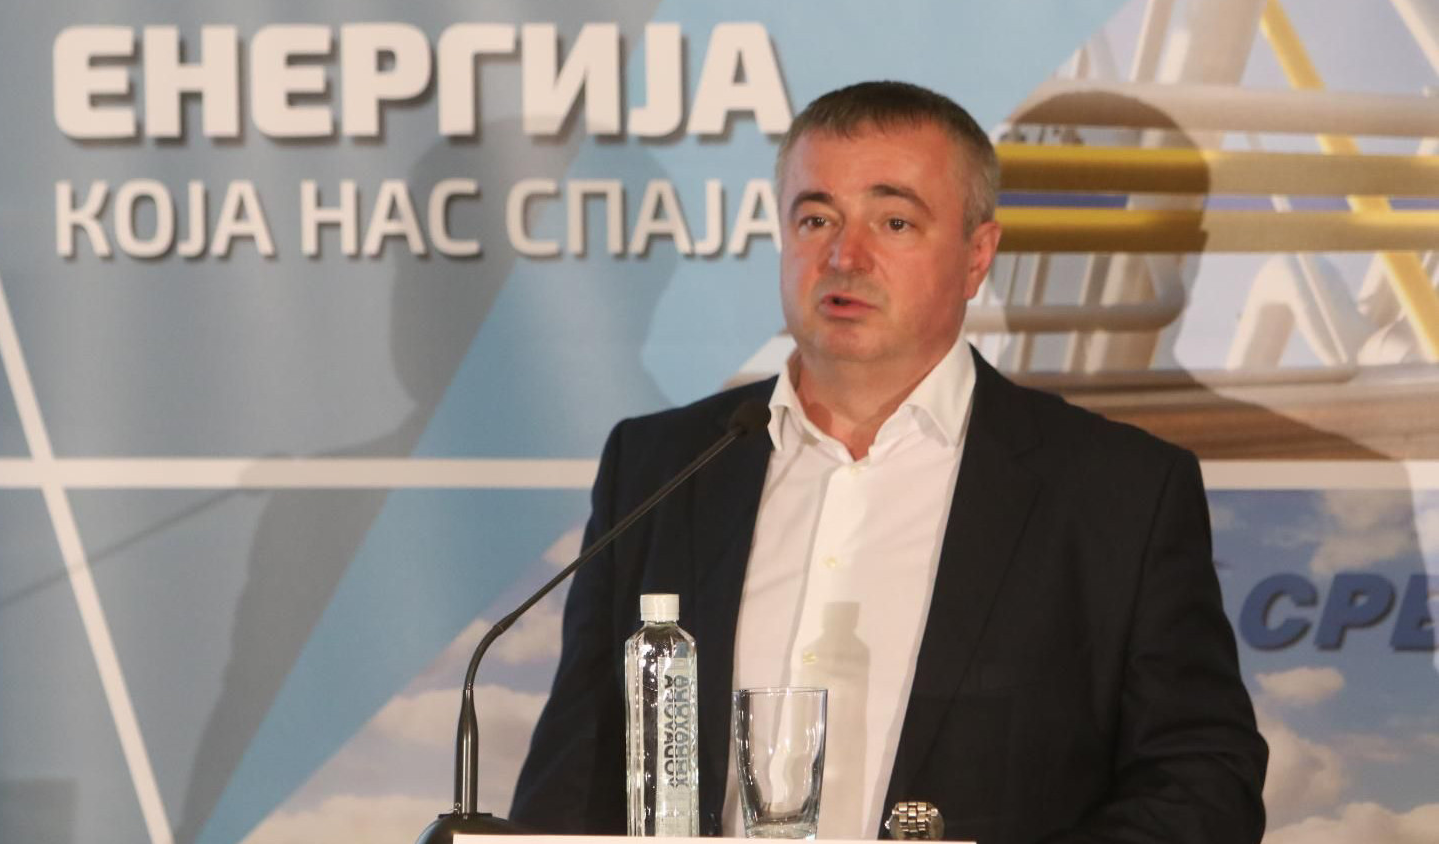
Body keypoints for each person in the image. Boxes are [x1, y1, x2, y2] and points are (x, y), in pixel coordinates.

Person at [510, 81, 1267, 844]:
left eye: (895, 222)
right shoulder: (661, 468)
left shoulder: (1117, 492)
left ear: (977, 256)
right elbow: (572, 781)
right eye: (816, 219)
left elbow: (1202, 783)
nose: (845, 257)